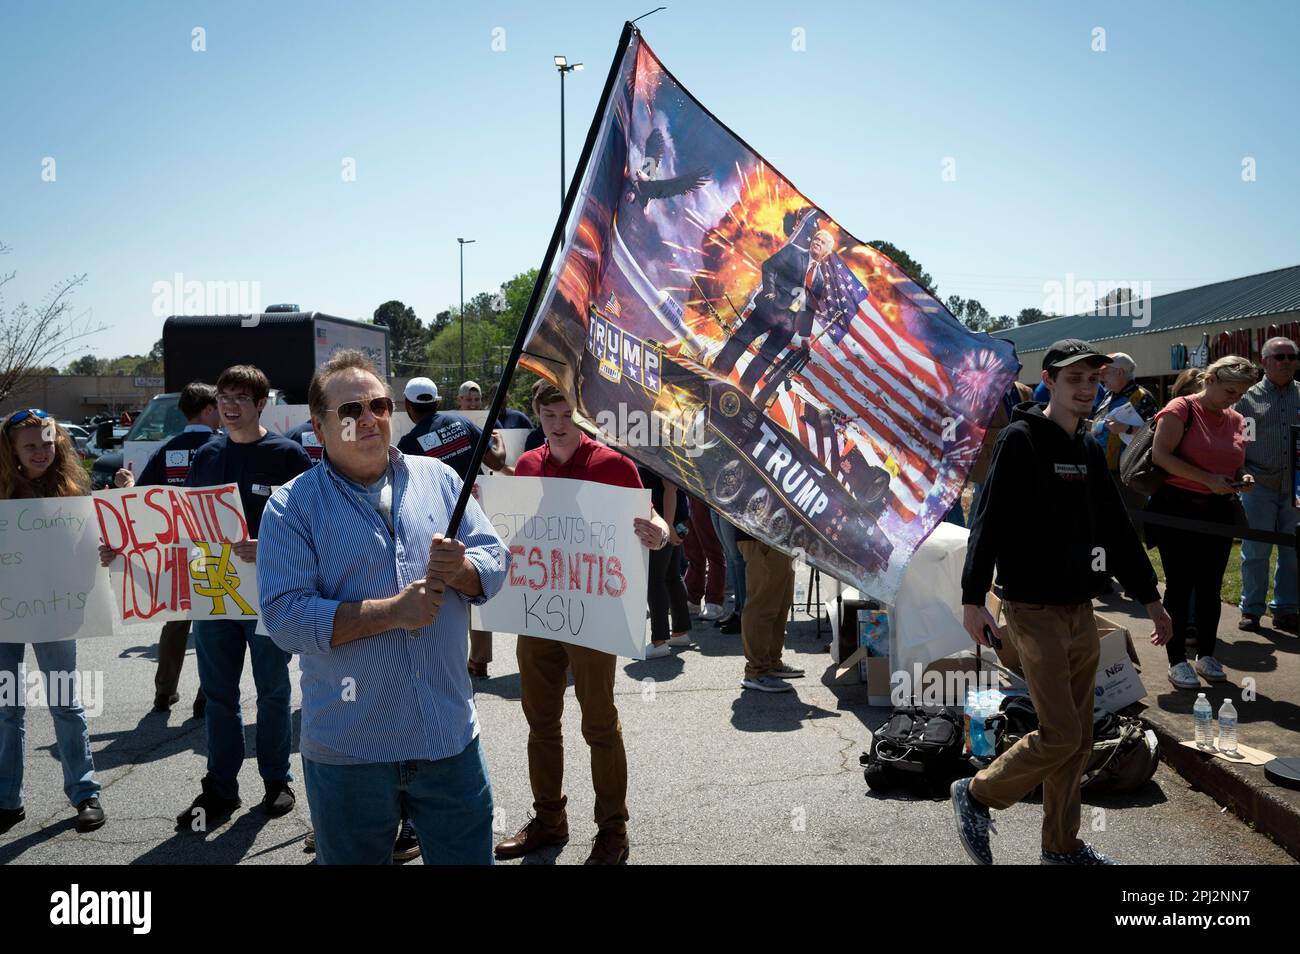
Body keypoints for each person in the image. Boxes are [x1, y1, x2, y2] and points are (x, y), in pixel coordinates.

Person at [259, 351, 507, 865]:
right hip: (350, 752)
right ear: (320, 427)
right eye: (351, 410)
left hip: (448, 739)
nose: (369, 418)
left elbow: (494, 559)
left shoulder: (437, 479)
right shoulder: (291, 507)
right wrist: (393, 611)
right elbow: (284, 619)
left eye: (379, 404)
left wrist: (461, 569)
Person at [954, 339, 1172, 866]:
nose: (1085, 388)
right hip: (1032, 610)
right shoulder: (1022, 440)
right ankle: (978, 793)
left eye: (1093, 380)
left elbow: (1119, 531)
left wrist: (1151, 598)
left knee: (1075, 743)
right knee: (1061, 734)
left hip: (1080, 610)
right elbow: (990, 521)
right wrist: (972, 597)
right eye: (1074, 379)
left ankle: (1061, 846)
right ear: (1050, 381)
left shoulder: (1089, 449)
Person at [494, 380, 670, 865]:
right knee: (540, 722)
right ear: (537, 417)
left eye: (565, 413)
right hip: (538, 611)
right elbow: (519, 528)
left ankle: (613, 830)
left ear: (581, 414)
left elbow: (654, 520)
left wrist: (658, 530)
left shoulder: (615, 464)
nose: (557, 423)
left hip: (595, 614)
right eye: (548, 415)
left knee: (599, 723)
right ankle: (549, 819)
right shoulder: (528, 465)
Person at [162, 365, 313, 831]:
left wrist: (266, 542)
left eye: (240, 398)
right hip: (215, 591)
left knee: (271, 691)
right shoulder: (206, 454)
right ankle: (221, 787)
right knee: (219, 694)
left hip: (268, 592)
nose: (229, 405)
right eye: (224, 397)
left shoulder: (287, 456)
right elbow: (185, 523)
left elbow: (311, 523)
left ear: (261, 404)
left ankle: (277, 781)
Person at [0, 409, 105, 835]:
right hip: (5, 614)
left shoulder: (73, 489)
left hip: (55, 612)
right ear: (11, 452)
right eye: (30, 445)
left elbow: (94, 547)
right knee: (6, 707)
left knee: (65, 702)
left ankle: (85, 793)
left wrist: (105, 553)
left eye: (48, 442)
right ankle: (7, 799)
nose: (41, 451)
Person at [1148, 356, 1256, 689]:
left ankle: (1206, 654)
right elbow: (1160, 456)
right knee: (1180, 585)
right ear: (1209, 380)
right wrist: (1207, 479)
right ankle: (1176, 659)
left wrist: (1241, 478)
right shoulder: (1181, 408)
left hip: (1217, 510)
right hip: (1177, 508)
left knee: (1210, 585)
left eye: (1240, 393)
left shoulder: (1237, 418)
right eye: (1229, 391)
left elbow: (1234, 460)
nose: (1233, 399)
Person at [111, 381, 218, 716]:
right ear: (208, 409)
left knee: (176, 623)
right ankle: (207, 696)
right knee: (213, 626)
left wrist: (127, 486)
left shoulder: (168, 449)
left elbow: (142, 500)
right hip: (215, 547)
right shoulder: (222, 446)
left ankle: (164, 692)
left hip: (174, 549)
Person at [396, 376, 505, 679]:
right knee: (480, 579)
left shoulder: (408, 445)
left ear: (407, 406)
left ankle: (444, 661)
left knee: (443, 588)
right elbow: (497, 461)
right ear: (438, 402)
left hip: (436, 525)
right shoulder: (462, 423)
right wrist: (502, 442)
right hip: (476, 516)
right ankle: (479, 659)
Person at [710, 229, 834, 393]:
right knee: (742, 338)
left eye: (822, 242)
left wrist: (805, 336)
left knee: (766, 357)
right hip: (770, 308)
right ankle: (716, 374)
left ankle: (743, 389)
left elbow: (809, 308)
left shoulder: (819, 279)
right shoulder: (794, 251)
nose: (817, 242)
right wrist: (770, 293)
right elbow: (769, 266)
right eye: (817, 239)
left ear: (827, 252)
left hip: (789, 324)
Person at [1235, 337, 1299, 634]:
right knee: (1256, 549)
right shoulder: (1248, 400)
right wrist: (1243, 473)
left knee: (1293, 550)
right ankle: (1251, 610)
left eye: (1292, 356)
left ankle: (1286, 609)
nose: (1287, 362)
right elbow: (1238, 446)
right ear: (1264, 362)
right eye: (1280, 356)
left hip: (1296, 487)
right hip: (1259, 484)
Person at [735, 523, 804, 693]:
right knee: (762, 605)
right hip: (761, 535)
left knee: (779, 604)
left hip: (778, 536)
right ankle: (757, 671)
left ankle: (771, 663)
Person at [1092, 353, 1158, 512]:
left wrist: (1126, 428)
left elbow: (1155, 434)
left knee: (1129, 521)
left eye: (1105, 371)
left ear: (1120, 372)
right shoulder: (1109, 395)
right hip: (1104, 469)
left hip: (1128, 474)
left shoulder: (1141, 397)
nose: (1101, 376)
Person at [637, 465, 692, 659]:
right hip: (672, 521)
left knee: (655, 579)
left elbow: (670, 489)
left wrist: (667, 527)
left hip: (664, 523)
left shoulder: (658, 450)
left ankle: (659, 640)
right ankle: (680, 632)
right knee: (671, 576)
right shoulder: (665, 448)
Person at [966, 380, 1034, 520]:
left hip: (1019, 458)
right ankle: (973, 538)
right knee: (982, 507)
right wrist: (1011, 434)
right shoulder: (983, 393)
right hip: (989, 460)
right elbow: (976, 430)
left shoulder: (1025, 391)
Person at [682, 495, 726, 619]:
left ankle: (714, 601)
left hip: (703, 493)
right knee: (693, 553)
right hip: (686, 491)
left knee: (713, 551)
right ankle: (693, 598)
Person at [710, 509, 744, 634]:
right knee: (730, 557)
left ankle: (743, 614)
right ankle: (737, 610)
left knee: (736, 558)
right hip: (715, 502)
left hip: (729, 504)